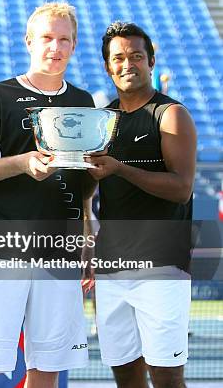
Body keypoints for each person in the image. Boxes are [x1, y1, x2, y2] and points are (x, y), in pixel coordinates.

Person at [0, 2, 94, 388]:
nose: (56, 47)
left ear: (74, 44)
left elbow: (82, 188)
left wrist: (86, 236)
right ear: (29, 41)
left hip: (60, 247)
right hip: (2, 245)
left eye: (64, 39)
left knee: (46, 367)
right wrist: (22, 162)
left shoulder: (84, 103)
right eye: (47, 37)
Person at [87, 22, 196, 388]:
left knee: (166, 379)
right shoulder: (103, 121)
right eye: (117, 58)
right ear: (107, 66)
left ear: (151, 61)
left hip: (161, 267)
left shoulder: (171, 115)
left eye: (136, 56)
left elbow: (181, 188)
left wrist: (120, 168)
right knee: (126, 378)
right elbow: (91, 188)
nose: (127, 64)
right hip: (112, 267)